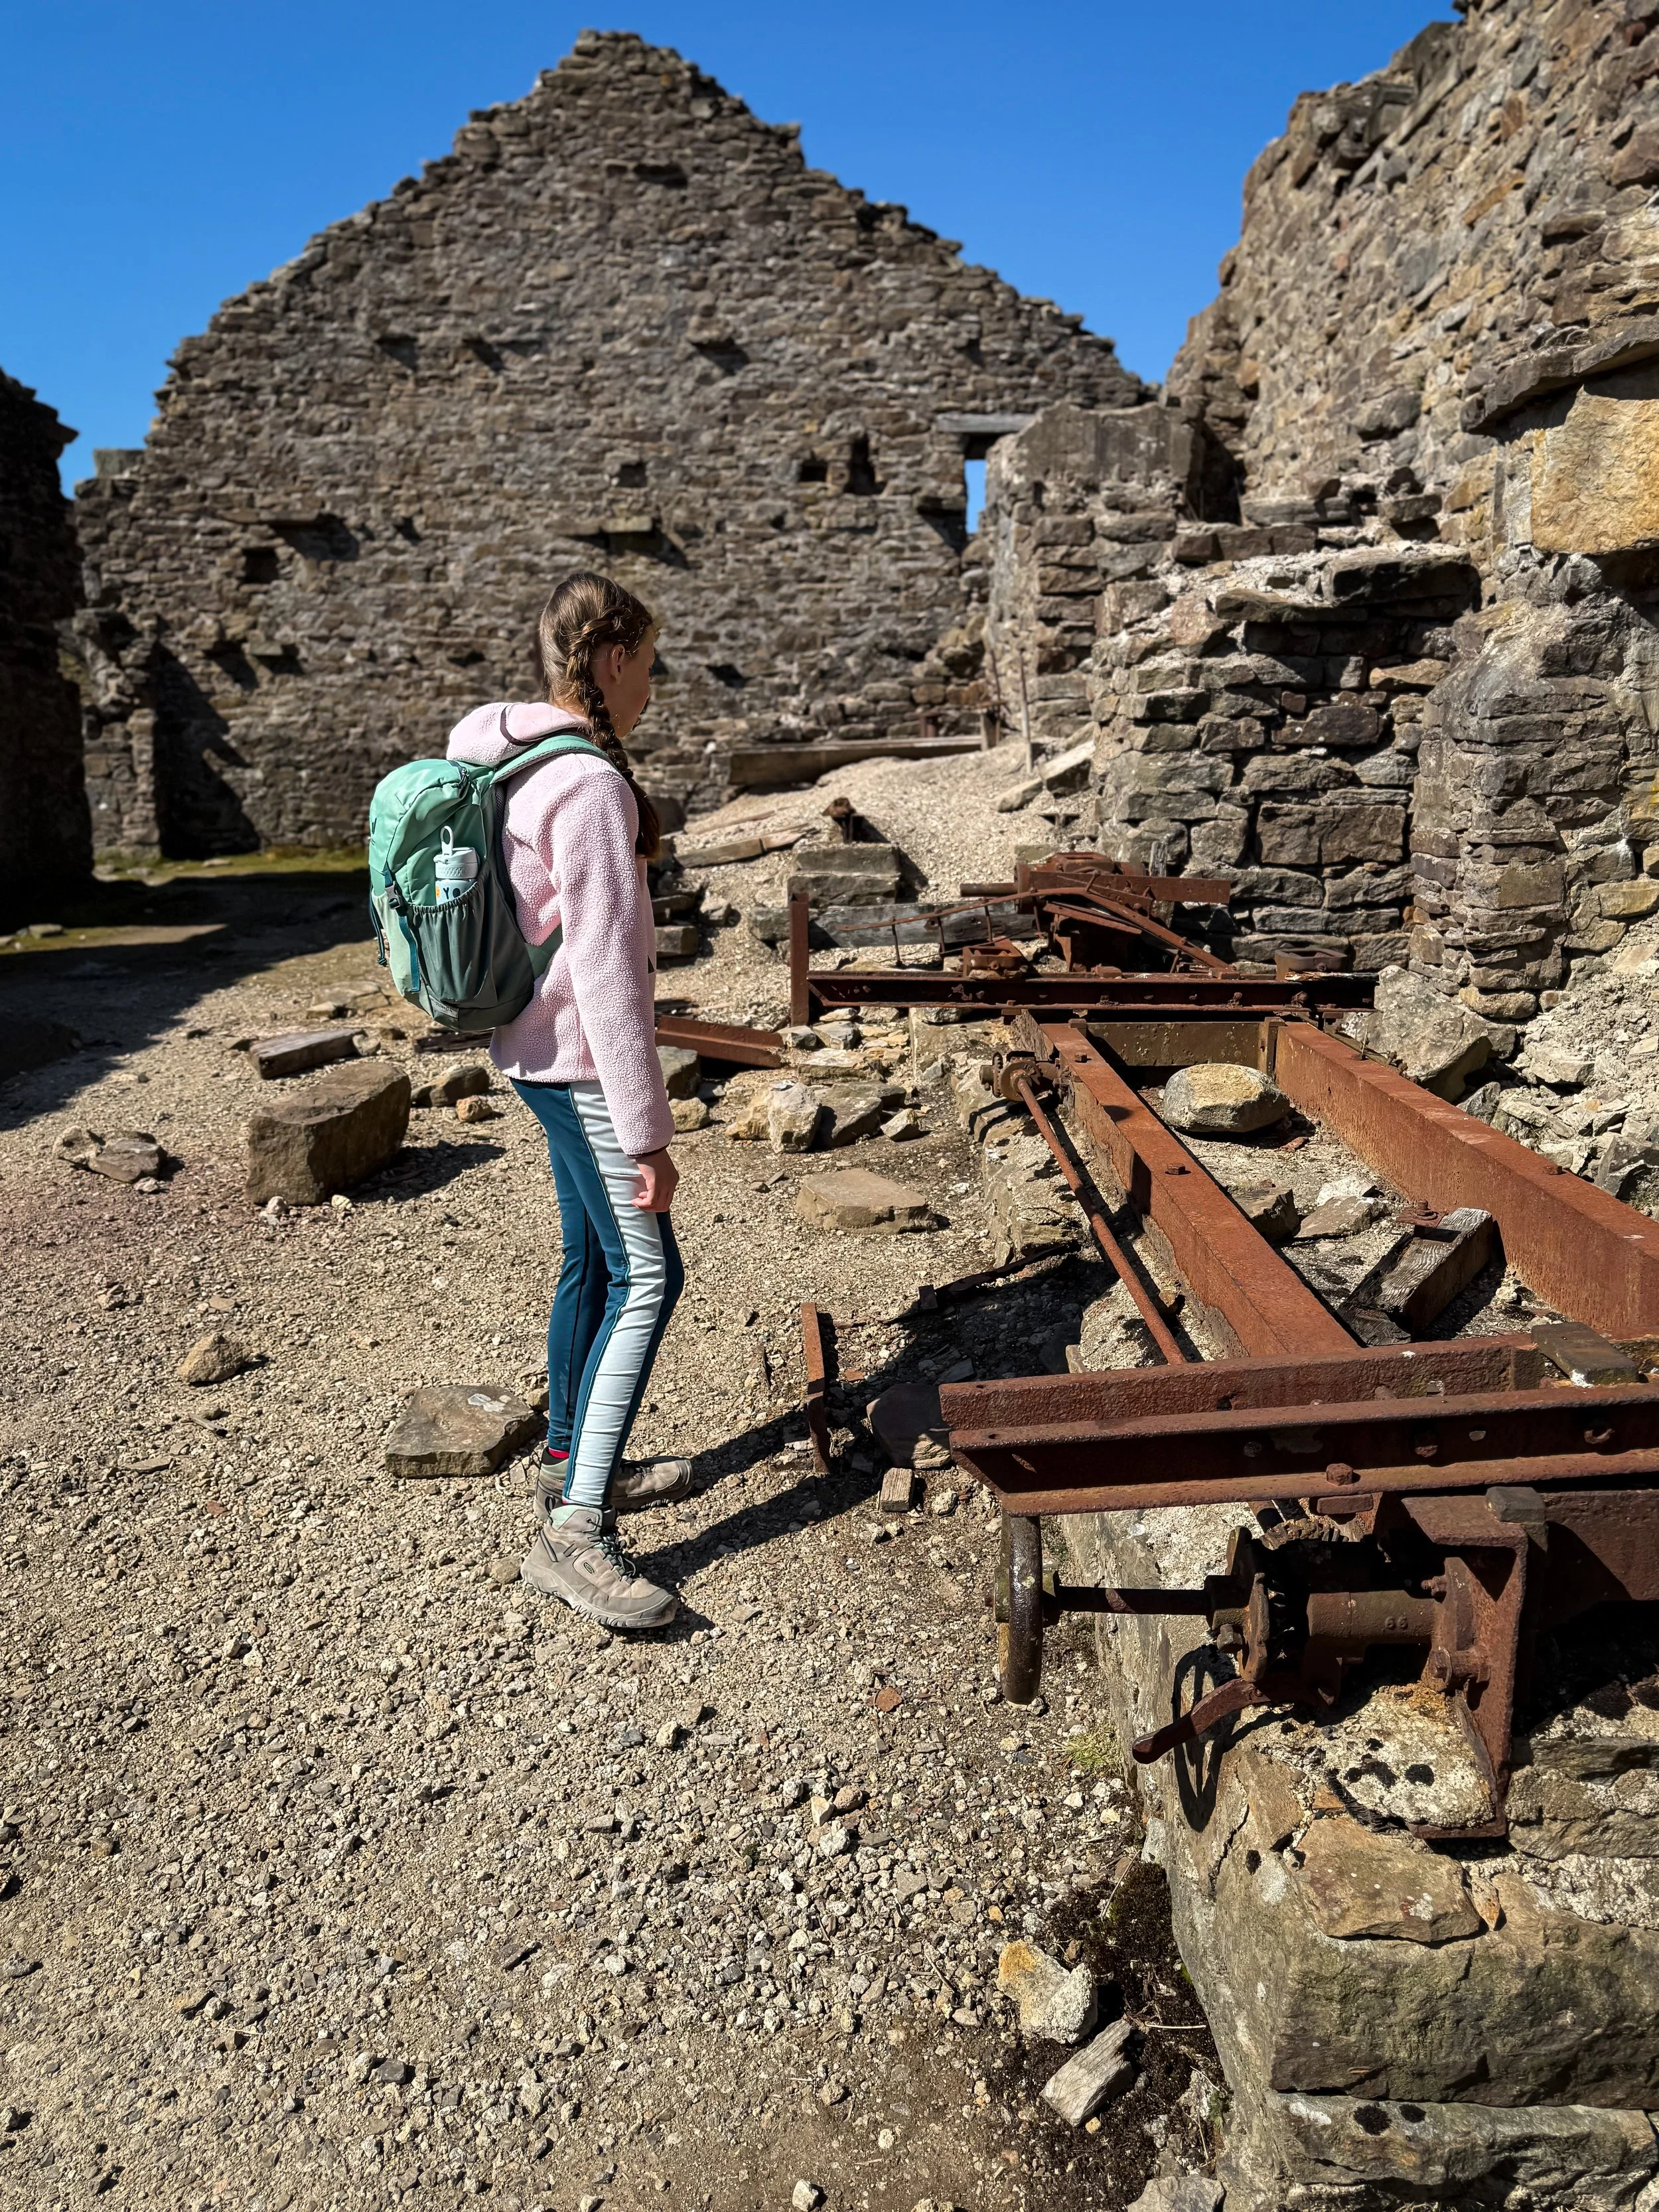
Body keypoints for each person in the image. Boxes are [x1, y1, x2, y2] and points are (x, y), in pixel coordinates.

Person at [447, 572, 689, 1632]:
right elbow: (601, 966)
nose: (651, 687)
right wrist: (648, 1129)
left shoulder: (500, 755)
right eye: (648, 664)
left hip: (527, 1052)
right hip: (584, 1064)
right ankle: (575, 1530)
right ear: (611, 658)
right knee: (651, 1273)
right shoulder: (587, 785)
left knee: (589, 1257)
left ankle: (565, 1462)